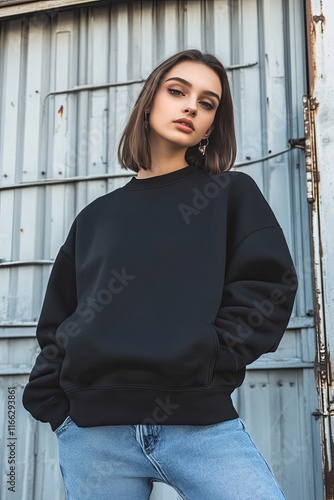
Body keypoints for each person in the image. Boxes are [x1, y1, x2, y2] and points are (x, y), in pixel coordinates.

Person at [22, 49, 298, 500]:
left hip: (199, 426)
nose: (191, 106)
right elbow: (60, 318)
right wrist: (55, 405)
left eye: (208, 103)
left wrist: (211, 356)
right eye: (177, 91)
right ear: (149, 102)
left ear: (212, 125)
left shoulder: (229, 194)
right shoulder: (95, 218)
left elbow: (269, 286)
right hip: (96, 434)